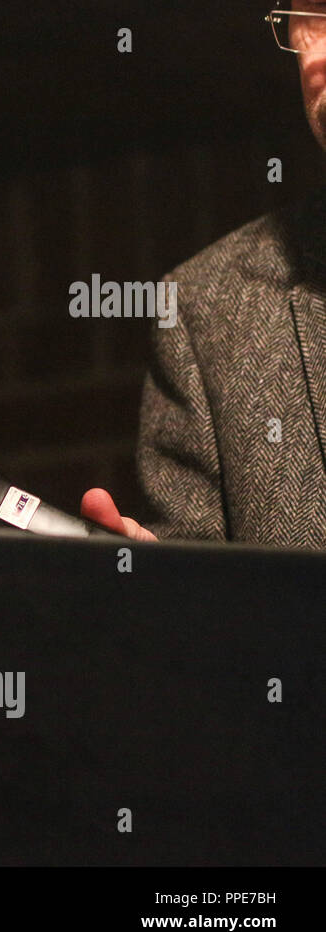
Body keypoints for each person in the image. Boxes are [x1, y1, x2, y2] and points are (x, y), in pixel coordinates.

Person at [128, 5, 326, 548]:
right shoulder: (207, 310)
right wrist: (153, 599)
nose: (324, 50)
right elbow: (202, 610)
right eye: (315, 16)